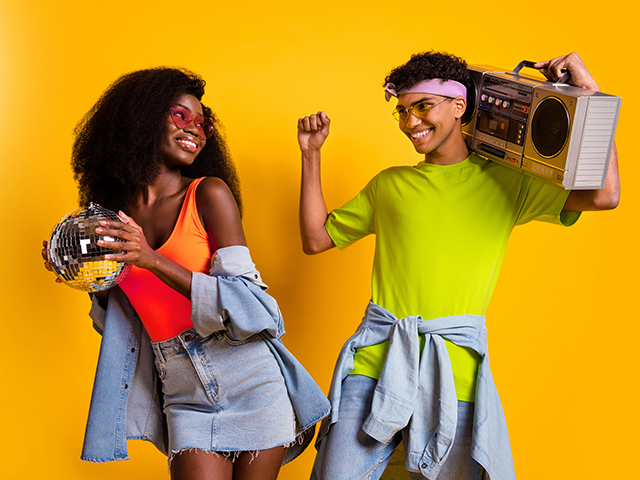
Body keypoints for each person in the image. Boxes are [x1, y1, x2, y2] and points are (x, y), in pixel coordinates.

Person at [297, 51, 619, 480]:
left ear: (459, 105)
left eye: (423, 107)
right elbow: (317, 237)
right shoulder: (390, 185)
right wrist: (311, 155)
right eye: (403, 111)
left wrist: (590, 95)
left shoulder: (507, 182)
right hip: (376, 365)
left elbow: (605, 196)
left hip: (456, 376)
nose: (411, 122)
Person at [42, 67, 330, 480]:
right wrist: (80, 273)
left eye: (203, 124)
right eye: (181, 116)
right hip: (182, 389)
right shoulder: (113, 217)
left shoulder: (208, 194)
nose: (195, 129)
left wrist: (152, 258)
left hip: (248, 377)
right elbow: (123, 320)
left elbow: (251, 305)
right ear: (142, 119)